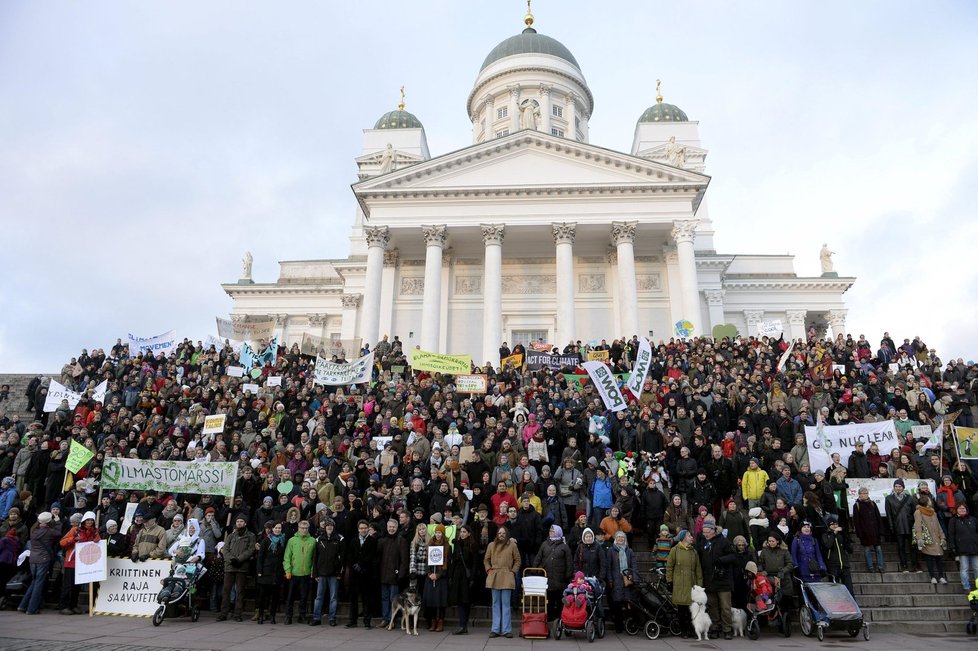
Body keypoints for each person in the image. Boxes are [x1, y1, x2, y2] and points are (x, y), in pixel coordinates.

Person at [696, 521, 735, 639]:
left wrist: (720, 560)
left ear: (713, 531)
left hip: (723, 580)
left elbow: (733, 556)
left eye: (707, 532)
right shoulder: (703, 541)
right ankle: (715, 628)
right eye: (704, 532)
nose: (705, 534)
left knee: (725, 607)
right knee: (712, 607)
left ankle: (727, 629)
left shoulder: (723, 541)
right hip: (709, 580)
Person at [18, 511, 60, 614]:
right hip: (43, 559)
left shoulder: (34, 530)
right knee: (38, 584)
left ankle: (23, 605)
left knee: (34, 582)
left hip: (33, 558)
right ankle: (32, 608)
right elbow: (58, 533)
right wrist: (58, 522)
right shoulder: (49, 531)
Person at [59, 510, 100, 614]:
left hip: (83, 564)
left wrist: (98, 539)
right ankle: (64, 606)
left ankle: (73, 605)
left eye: (91, 520)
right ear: (84, 521)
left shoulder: (95, 532)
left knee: (77, 586)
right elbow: (62, 542)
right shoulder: (75, 530)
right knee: (68, 585)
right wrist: (74, 539)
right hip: (71, 561)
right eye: (87, 520)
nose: (89, 522)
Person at [217, 515, 256, 622]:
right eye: (237, 521)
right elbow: (225, 550)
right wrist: (231, 559)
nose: (239, 523)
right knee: (226, 591)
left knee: (240, 591)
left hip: (241, 567)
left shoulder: (250, 536)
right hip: (229, 567)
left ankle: (237, 614)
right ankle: (223, 613)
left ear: (245, 523)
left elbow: (250, 550)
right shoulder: (230, 536)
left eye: (241, 521)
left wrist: (239, 559)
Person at [484, 526, 520, 638]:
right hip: (494, 575)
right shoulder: (491, 545)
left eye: (503, 533)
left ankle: (506, 630)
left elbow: (518, 560)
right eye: (499, 533)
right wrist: (489, 570)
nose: (501, 535)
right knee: (495, 604)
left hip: (507, 575)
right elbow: (486, 559)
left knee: (505, 604)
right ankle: (495, 629)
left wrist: (513, 572)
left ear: (507, 534)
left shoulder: (512, 545)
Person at [666, 529, 702, 639]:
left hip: (691, 584)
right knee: (682, 609)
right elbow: (669, 567)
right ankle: (684, 630)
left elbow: (698, 570)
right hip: (679, 584)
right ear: (683, 538)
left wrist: (699, 585)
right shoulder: (674, 550)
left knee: (692, 610)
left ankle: (692, 630)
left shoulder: (694, 552)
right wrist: (669, 581)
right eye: (689, 535)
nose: (691, 537)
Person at [533, 524, 573, 621]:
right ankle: (549, 617)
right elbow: (538, 559)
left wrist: (567, 575)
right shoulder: (544, 544)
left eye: (553, 531)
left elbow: (569, 562)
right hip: (547, 577)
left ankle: (560, 619)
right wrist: (537, 570)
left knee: (560, 600)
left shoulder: (564, 546)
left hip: (561, 579)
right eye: (550, 531)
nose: (551, 532)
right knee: (549, 600)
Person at [604, 530, 640, 634]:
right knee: (617, 604)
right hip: (616, 581)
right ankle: (619, 626)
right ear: (615, 539)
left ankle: (631, 625)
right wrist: (610, 580)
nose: (620, 539)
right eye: (618, 537)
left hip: (627, 580)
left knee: (630, 603)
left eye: (622, 537)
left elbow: (634, 566)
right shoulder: (611, 551)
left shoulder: (629, 551)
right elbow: (608, 567)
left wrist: (634, 578)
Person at [311, 516, 344, 626]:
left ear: (334, 527)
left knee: (333, 598)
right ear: (324, 527)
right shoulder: (319, 539)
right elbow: (315, 557)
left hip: (334, 574)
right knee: (319, 597)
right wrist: (315, 572)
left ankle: (332, 618)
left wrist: (339, 572)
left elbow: (342, 558)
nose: (329, 527)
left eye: (331, 525)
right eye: (327, 525)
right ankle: (316, 618)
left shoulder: (339, 539)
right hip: (321, 573)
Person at [377, 518, 408, 628]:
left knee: (393, 600)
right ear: (387, 527)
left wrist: (400, 575)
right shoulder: (383, 541)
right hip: (383, 575)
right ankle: (385, 619)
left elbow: (404, 560)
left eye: (393, 527)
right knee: (384, 599)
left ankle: (392, 620)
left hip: (395, 576)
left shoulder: (401, 540)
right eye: (389, 527)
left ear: (396, 528)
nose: (391, 529)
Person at [346, 519, 376, 628]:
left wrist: (362, 565)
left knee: (366, 598)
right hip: (355, 574)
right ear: (358, 529)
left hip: (366, 573)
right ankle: (352, 620)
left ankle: (367, 621)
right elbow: (350, 555)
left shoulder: (372, 541)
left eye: (365, 528)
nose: (363, 530)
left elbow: (371, 555)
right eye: (361, 528)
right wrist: (355, 565)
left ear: (368, 529)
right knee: (353, 598)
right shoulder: (353, 540)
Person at [283, 519, 315, 624]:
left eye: (306, 528)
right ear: (298, 528)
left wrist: (312, 571)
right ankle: (288, 616)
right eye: (302, 528)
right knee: (290, 596)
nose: (304, 530)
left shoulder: (313, 541)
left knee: (304, 597)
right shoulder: (292, 540)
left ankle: (302, 616)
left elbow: (314, 558)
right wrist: (288, 570)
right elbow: (287, 556)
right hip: (293, 574)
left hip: (305, 574)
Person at [885, 478, 920, 573]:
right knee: (901, 547)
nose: (898, 488)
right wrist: (891, 526)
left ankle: (915, 564)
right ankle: (903, 565)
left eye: (900, 486)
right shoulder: (889, 498)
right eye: (896, 486)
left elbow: (915, 512)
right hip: (898, 525)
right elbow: (889, 514)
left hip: (909, 525)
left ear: (903, 487)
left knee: (913, 546)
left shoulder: (910, 498)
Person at [448, 523, 477, 635]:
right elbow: (454, 561)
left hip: (467, 575)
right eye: (461, 532)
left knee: (466, 600)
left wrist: (472, 578)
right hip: (457, 575)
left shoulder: (472, 545)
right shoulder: (457, 544)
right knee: (460, 600)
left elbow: (474, 563)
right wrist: (451, 576)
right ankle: (462, 624)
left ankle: (464, 625)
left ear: (469, 533)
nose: (462, 533)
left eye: (465, 532)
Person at [913, 495, 947, 585]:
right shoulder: (918, 512)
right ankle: (932, 576)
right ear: (926, 502)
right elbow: (918, 526)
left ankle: (941, 576)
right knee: (929, 558)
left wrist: (942, 537)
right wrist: (919, 538)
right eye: (929, 500)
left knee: (939, 558)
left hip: (937, 537)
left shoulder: (933, 512)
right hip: (928, 538)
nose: (930, 501)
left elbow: (938, 525)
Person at [256, 521, 285, 625]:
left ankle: (272, 616)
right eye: (276, 528)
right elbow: (261, 557)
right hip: (266, 571)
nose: (278, 530)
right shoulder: (266, 540)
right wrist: (259, 571)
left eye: (279, 528)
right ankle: (260, 615)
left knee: (275, 597)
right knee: (263, 596)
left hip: (277, 572)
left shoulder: (282, 540)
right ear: (272, 529)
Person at [423, 523, 450, 632]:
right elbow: (427, 562)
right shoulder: (430, 545)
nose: (438, 535)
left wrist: (438, 575)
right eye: (436, 532)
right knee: (432, 601)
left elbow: (447, 563)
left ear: (443, 534)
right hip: (430, 577)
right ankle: (433, 621)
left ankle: (440, 622)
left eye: (440, 533)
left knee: (440, 602)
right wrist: (430, 574)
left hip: (441, 578)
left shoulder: (447, 546)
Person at [852, 486, 885, 573]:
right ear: (859, 494)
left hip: (875, 531)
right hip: (864, 532)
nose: (863, 495)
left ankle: (881, 566)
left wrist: (881, 530)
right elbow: (856, 521)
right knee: (867, 550)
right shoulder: (856, 505)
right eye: (862, 493)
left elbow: (878, 517)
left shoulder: (873, 503)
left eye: (865, 493)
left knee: (878, 549)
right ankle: (870, 567)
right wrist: (859, 533)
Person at [947, 503, 978, 591]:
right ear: (956, 510)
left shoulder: (973, 519)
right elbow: (951, 535)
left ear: (967, 509)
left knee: (977, 568)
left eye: (964, 508)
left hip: (975, 547)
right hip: (962, 549)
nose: (962, 510)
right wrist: (953, 547)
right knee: (964, 569)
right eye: (960, 509)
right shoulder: (953, 521)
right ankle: (966, 587)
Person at [822, 514, 854, 595]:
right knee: (835, 589)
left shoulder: (841, 535)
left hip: (844, 565)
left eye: (836, 524)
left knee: (849, 588)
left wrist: (845, 537)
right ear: (829, 526)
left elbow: (850, 550)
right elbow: (828, 545)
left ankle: (852, 605)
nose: (834, 526)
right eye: (832, 524)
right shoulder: (826, 535)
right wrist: (834, 534)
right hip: (833, 566)